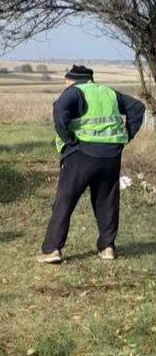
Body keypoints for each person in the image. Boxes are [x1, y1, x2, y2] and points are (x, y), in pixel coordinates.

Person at [38, 65, 146, 264]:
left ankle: (52, 249)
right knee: (106, 201)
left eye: (66, 80)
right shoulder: (108, 92)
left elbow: (59, 111)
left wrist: (69, 140)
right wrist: (125, 136)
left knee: (65, 201)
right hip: (111, 156)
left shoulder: (74, 92)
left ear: (71, 80)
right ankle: (107, 247)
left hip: (82, 154)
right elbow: (138, 108)